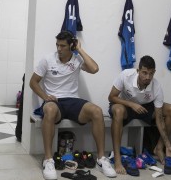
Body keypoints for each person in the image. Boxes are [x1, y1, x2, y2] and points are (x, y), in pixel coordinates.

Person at [29, 31, 116, 179]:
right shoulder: (47, 60)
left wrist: (80, 50)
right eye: (57, 45)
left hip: (73, 100)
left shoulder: (77, 60)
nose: (59, 48)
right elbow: (33, 82)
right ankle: (48, 160)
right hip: (55, 102)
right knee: (49, 109)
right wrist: (45, 97)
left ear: (71, 45)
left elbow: (95, 69)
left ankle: (101, 159)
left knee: (97, 111)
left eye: (63, 45)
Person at [108, 55, 171, 174]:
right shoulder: (126, 75)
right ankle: (118, 159)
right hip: (126, 106)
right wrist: (131, 104)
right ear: (138, 70)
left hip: (145, 108)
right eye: (144, 73)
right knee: (118, 111)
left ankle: (159, 148)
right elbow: (111, 97)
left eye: (151, 73)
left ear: (154, 72)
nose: (147, 77)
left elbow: (159, 118)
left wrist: (168, 144)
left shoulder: (156, 86)